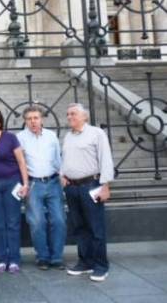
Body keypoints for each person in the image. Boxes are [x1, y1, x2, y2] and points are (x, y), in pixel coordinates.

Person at [61, 103, 114, 282]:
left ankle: (101, 266)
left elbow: (105, 159)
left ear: (85, 116)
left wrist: (106, 185)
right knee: (79, 227)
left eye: (73, 114)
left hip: (91, 185)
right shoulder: (68, 136)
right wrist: (62, 175)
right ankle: (85, 262)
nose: (70, 117)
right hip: (72, 188)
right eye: (68, 114)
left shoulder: (96, 134)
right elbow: (65, 158)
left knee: (95, 228)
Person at [17, 105, 66, 271]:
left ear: (42, 119)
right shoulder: (20, 138)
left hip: (53, 182)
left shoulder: (51, 136)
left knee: (59, 220)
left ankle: (57, 257)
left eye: (36, 118)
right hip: (33, 184)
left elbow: (58, 159)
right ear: (25, 121)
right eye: (29, 119)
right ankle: (43, 257)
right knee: (37, 222)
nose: (33, 122)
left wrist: (62, 176)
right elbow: (19, 163)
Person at [0, 107, 29, 274]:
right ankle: (1, 259)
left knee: (13, 222)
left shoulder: (10, 138)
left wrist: (25, 183)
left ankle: (14, 259)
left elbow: (21, 161)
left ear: (0, 122)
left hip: (11, 184)